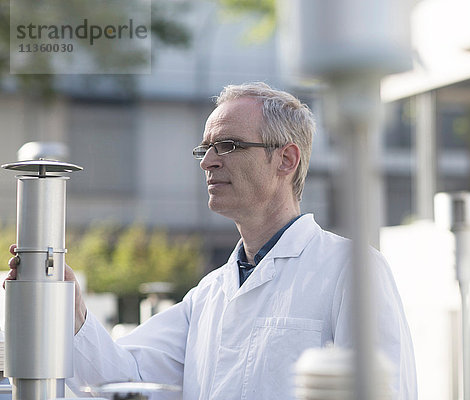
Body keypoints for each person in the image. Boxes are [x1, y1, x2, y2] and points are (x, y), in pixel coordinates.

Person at [7, 82, 417, 399]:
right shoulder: (209, 294)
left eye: (229, 145)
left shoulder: (351, 270)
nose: (207, 161)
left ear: (286, 160)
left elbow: (387, 391)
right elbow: (123, 377)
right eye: (205, 148)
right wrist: (72, 310)